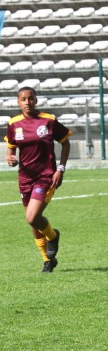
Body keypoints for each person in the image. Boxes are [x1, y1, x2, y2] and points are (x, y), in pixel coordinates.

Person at [5, 86, 72, 272]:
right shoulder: (13, 123)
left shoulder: (48, 120)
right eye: (23, 99)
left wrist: (60, 169)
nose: (27, 102)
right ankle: (47, 260)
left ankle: (53, 236)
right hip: (25, 178)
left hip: (45, 176)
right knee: (34, 223)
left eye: (31, 98)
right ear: (18, 102)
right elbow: (11, 150)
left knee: (32, 216)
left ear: (36, 100)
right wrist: (10, 158)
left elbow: (66, 143)